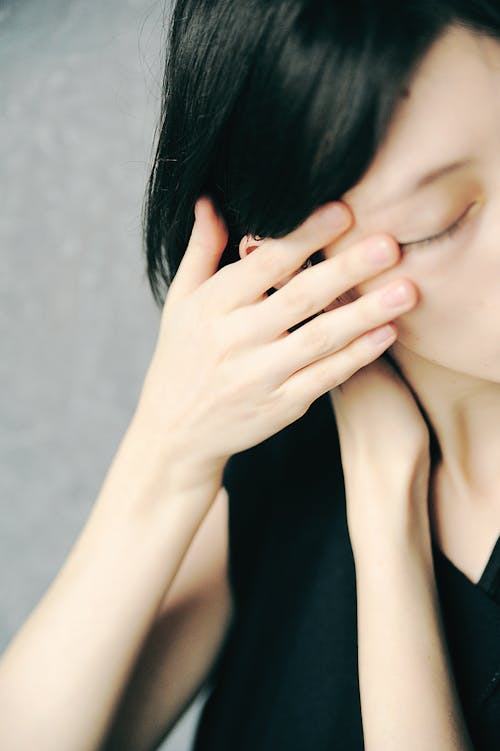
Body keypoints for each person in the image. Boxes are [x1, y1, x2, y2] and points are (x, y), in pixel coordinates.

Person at [1, 1, 499, 749]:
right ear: (294, 262)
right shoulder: (287, 452)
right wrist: (166, 453)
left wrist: (390, 539)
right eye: (443, 219)